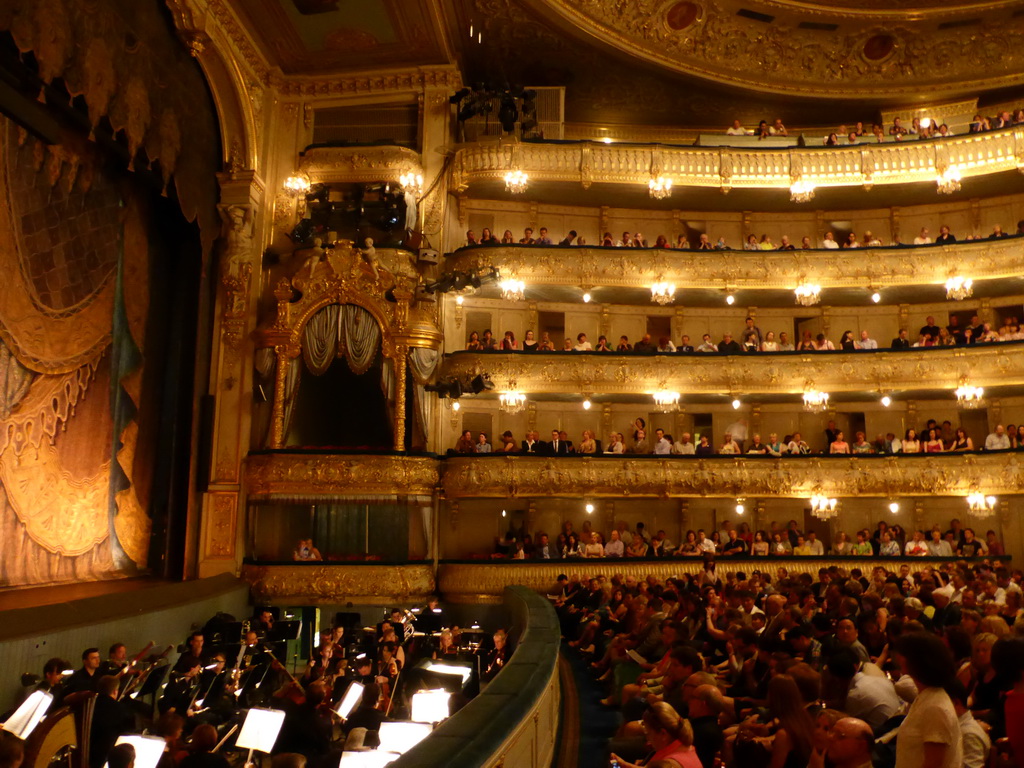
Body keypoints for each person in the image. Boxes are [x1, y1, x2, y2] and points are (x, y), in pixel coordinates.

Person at [892, 633, 962, 768]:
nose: (898, 658)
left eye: (903, 654)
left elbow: (933, 764)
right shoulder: (926, 696)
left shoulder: (935, 707)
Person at [610, 702, 702, 768]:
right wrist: (625, 764)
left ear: (663, 734)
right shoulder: (683, 746)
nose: (648, 740)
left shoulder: (671, 764)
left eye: (648, 733)